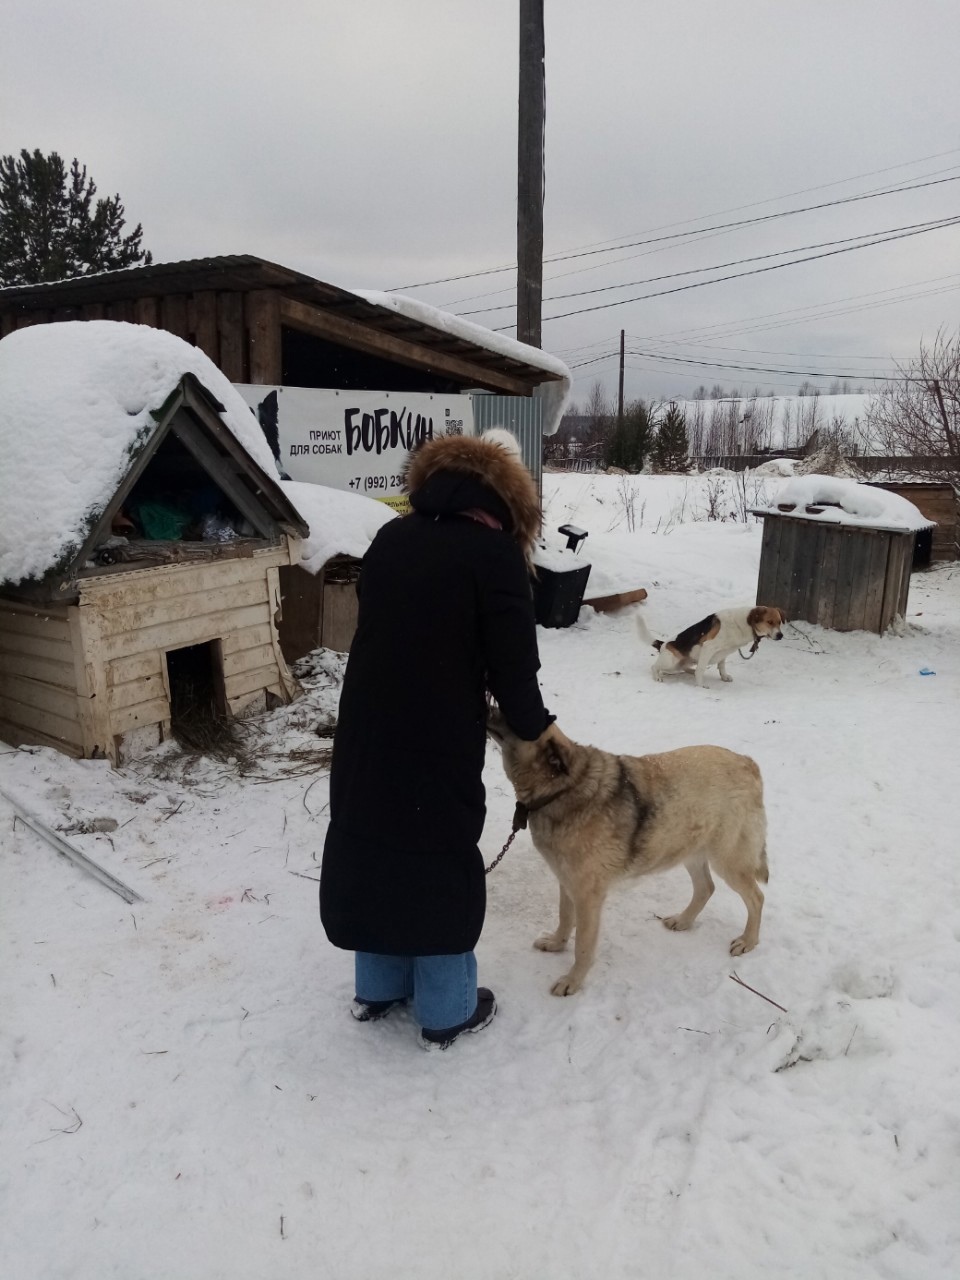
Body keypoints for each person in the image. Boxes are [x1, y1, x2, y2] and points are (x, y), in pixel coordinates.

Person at [319, 428, 552, 1050]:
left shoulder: (393, 536)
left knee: (374, 838)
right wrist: (540, 733)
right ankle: (446, 1008)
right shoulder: (492, 552)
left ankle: (379, 986)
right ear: (508, 505)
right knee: (436, 851)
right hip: (437, 729)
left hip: (368, 721)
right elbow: (513, 669)